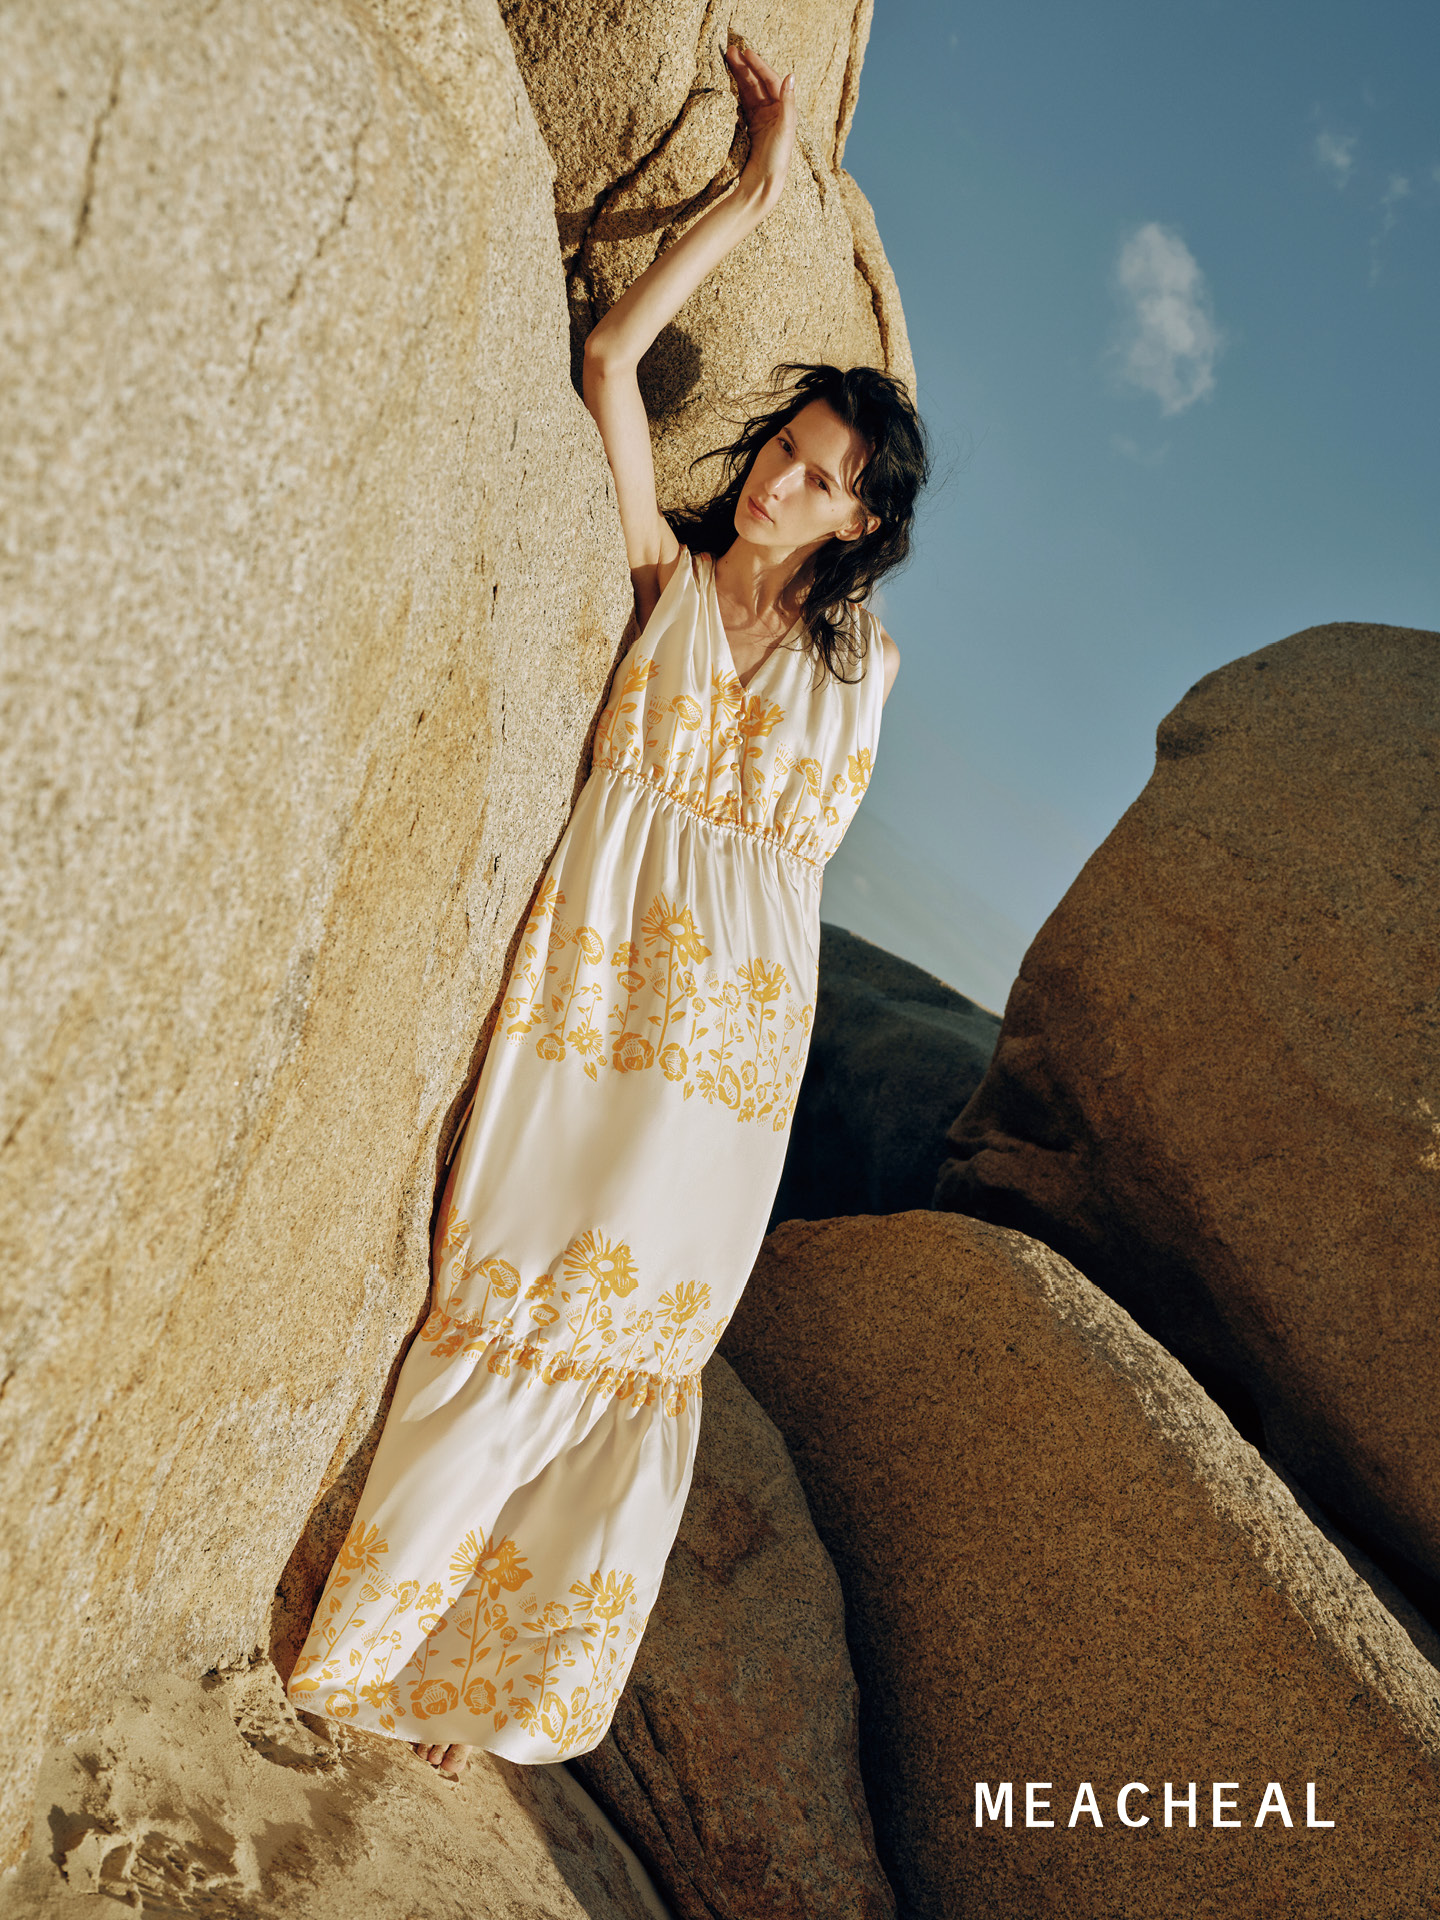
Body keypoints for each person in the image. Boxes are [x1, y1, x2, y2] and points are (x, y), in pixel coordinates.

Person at [284, 40, 928, 1782]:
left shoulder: (864, 669)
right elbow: (609, 360)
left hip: (739, 1049)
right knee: (519, 1281)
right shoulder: (666, 577)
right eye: (783, 447)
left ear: (863, 517)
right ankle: (380, 1644)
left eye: (820, 472)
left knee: (637, 1339)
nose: (780, 477)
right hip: (601, 977)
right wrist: (753, 198)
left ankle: (480, 1690)